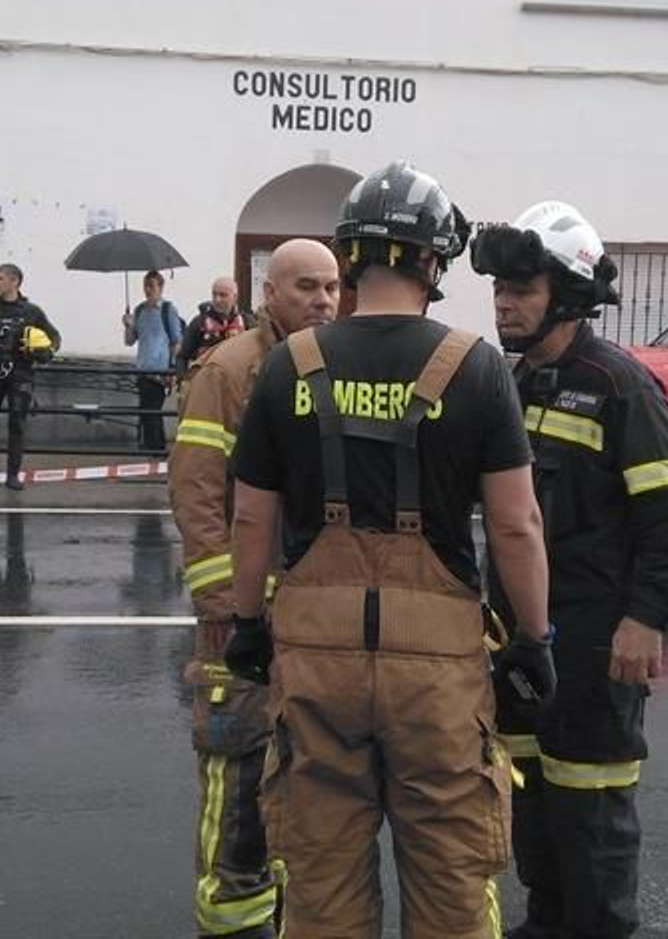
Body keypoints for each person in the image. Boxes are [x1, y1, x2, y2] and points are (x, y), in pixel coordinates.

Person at [223, 161, 557, 938]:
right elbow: (516, 525)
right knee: (450, 880)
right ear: (435, 261)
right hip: (436, 673)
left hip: (315, 657)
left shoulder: (288, 365)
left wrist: (246, 623)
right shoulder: (475, 368)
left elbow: (249, 519)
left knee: (322, 882)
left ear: (350, 256)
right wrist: (535, 638)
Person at [471, 201, 668, 939]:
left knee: (593, 823)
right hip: (526, 641)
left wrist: (646, 620)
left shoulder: (619, 388)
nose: (505, 303)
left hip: (600, 641)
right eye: (500, 289)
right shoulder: (515, 382)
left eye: (523, 290)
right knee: (536, 810)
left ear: (568, 296)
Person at [168, 240, 341, 939]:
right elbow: (198, 488)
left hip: (313, 616)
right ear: (268, 292)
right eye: (307, 287)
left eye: (333, 287)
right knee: (239, 776)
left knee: (308, 781)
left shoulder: (335, 364)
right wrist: (227, 606)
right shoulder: (233, 368)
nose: (324, 301)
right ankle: (233, 920)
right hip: (242, 617)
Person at [0, 262, 61, 491]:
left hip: (21, 373)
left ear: (14, 281)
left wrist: (47, 352)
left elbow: (55, 337)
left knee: (17, 423)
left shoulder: (32, 312)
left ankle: (13, 474)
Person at [122, 270, 183, 451]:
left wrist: (172, 369)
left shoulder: (167, 310)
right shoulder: (140, 310)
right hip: (142, 368)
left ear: (161, 287)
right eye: (146, 285)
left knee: (152, 411)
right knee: (147, 412)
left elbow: (176, 341)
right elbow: (130, 340)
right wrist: (128, 326)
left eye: (152, 285)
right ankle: (153, 448)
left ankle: (156, 449)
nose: (148, 290)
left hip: (160, 371)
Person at [175, 276, 256, 378]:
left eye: (223, 295)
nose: (217, 300)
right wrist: (182, 382)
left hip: (237, 384)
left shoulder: (247, 322)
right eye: (214, 294)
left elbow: (257, 355)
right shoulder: (199, 323)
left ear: (235, 297)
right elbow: (182, 357)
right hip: (206, 384)